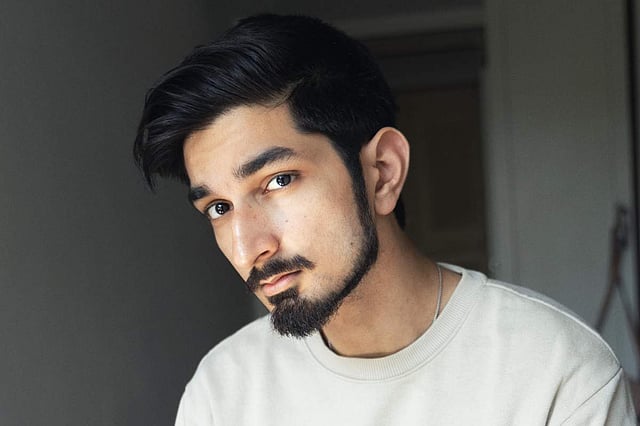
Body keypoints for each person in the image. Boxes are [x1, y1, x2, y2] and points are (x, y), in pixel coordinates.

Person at [133, 14, 635, 425]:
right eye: (219, 208)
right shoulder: (222, 392)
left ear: (382, 172)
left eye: (278, 180)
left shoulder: (556, 372)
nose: (248, 248)